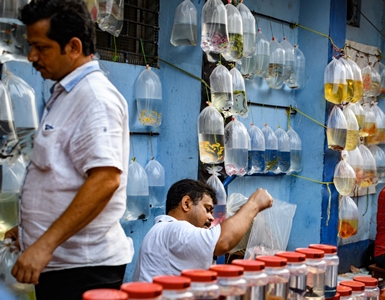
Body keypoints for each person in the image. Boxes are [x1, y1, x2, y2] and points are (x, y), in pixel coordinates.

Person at [4, 0, 133, 299]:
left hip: (84, 270)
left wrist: (44, 244)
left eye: (41, 47)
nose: (32, 56)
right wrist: (28, 232)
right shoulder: (66, 93)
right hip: (62, 266)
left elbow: (105, 180)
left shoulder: (94, 98)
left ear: (73, 47)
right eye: (30, 46)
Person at [133, 179, 273, 282]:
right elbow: (222, 241)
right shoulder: (173, 229)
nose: (211, 217)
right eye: (207, 209)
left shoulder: (162, 230)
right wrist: (254, 204)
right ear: (186, 204)